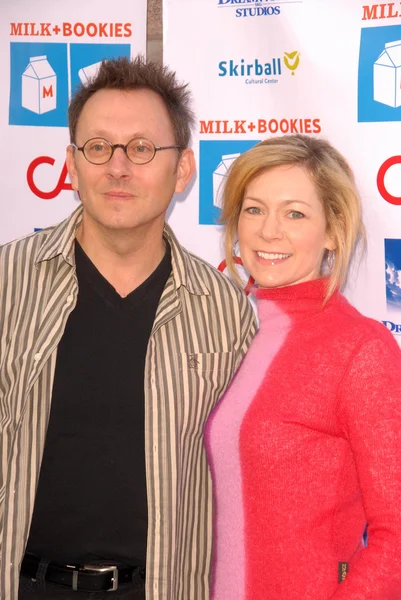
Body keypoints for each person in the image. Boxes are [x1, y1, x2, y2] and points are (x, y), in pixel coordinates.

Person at [0, 56, 256, 600]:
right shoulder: (6, 282)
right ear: (72, 164)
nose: (118, 168)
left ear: (183, 169)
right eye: (98, 147)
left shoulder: (225, 312)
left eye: (141, 148)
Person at [204, 134, 401, 599]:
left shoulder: (360, 349)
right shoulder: (240, 337)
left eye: (295, 213)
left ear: (333, 230)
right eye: (253, 209)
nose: (269, 231)